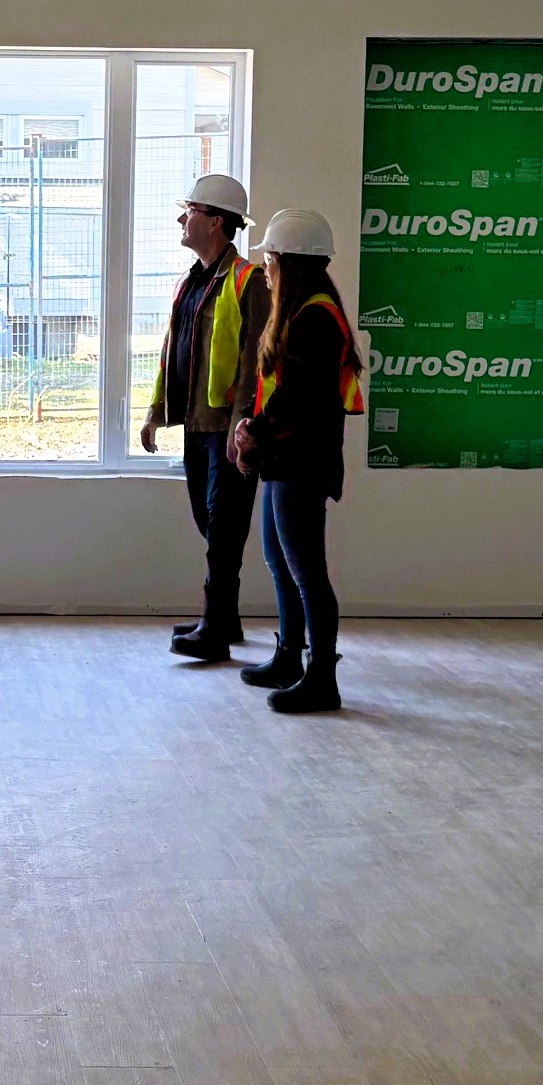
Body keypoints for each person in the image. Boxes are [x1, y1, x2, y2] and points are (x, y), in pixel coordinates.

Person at [229, 208, 364, 715]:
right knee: (279, 562)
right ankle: (289, 657)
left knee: (307, 573)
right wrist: (254, 433)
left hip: (302, 464)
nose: (264, 266)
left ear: (289, 261)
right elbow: (277, 391)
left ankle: (322, 679)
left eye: (269, 257)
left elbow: (298, 399)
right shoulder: (300, 310)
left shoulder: (315, 318)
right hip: (283, 460)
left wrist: (251, 433)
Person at [140, 172, 269, 663]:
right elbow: (171, 352)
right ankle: (225, 618)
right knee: (208, 520)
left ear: (215, 222)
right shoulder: (191, 282)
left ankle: (214, 629)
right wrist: (155, 412)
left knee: (224, 525)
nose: (182, 217)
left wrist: (243, 427)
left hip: (227, 430)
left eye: (190, 210)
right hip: (197, 425)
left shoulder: (247, 280)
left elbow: (257, 362)